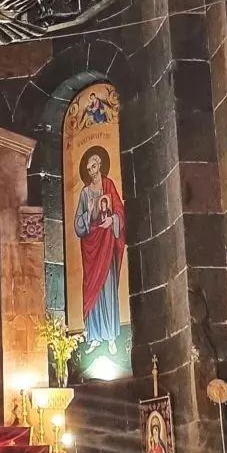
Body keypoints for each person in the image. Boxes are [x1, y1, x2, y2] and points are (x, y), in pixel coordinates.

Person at [73, 145, 126, 354]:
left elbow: (119, 210)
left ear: (100, 166)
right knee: (91, 287)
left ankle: (111, 336)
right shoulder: (85, 193)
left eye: (93, 166)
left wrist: (112, 219)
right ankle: (94, 335)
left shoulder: (108, 185)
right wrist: (88, 214)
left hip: (107, 242)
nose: (90, 170)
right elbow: (78, 224)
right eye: (88, 168)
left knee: (108, 284)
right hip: (91, 246)